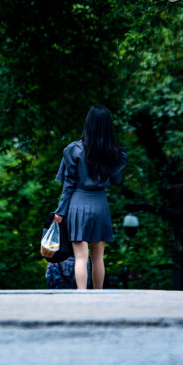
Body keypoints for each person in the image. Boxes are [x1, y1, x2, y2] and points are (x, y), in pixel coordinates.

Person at [53, 104, 127, 290]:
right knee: (98, 258)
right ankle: (98, 294)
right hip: (100, 204)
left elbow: (68, 184)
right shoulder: (114, 153)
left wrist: (60, 211)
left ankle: (81, 295)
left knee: (80, 257)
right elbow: (117, 180)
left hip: (78, 202)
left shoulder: (74, 150)